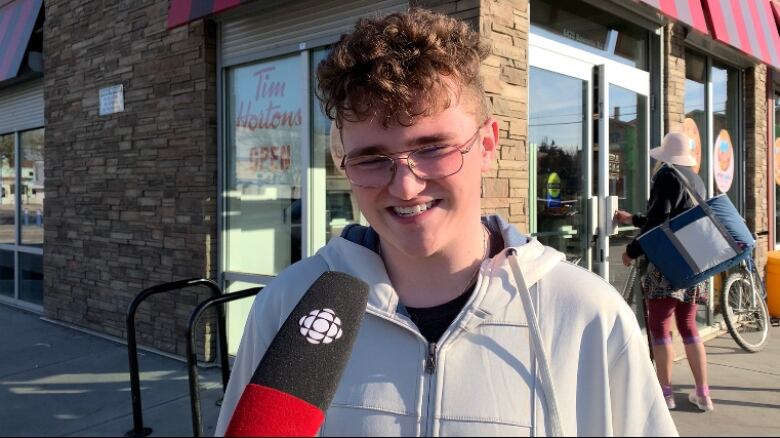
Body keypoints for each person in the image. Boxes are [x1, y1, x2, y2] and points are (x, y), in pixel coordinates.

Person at [215, 9, 678, 436]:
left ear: (487, 144)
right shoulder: (290, 306)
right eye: (372, 158)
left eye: (433, 148)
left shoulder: (586, 317)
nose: (405, 187)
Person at [614, 132, 714, 413]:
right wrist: (632, 218)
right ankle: (703, 393)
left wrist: (631, 250)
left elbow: (659, 222)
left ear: (666, 156)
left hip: (668, 264)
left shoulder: (667, 176)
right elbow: (676, 219)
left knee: (660, 326)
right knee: (689, 325)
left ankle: (665, 392)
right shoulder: (696, 180)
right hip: (694, 262)